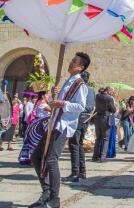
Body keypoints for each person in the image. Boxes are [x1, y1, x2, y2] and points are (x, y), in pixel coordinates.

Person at [29, 53, 89, 208]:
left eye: (74, 61)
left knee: (51, 159)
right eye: (71, 60)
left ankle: (55, 199)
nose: (70, 63)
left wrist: (61, 103)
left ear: (80, 67)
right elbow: (55, 103)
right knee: (36, 157)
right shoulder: (68, 81)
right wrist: (52, 97)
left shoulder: (80, 84)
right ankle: (46, 191)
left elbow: (80, 107)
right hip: (53, 123)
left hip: (63, 126)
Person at [64, 67, 95, 183]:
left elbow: (78, 105)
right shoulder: (91, 90)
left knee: (74, 146)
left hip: (77, 119)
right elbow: (91, 107)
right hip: (86, 120)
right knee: (79, 145)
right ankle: (82, 172)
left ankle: (75, 173)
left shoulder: (80, 88)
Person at [92, 86, 116, 162]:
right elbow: (113, 110)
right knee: (105, 138)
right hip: (106, 119)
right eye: (112, 91)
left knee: (98, 138)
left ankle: (95, 157)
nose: (112, 93)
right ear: (109, 90)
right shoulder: (109, 98)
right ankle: (103, 157)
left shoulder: (97, 96)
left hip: (97, 118)